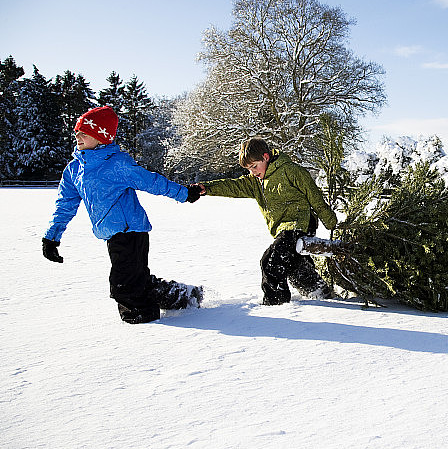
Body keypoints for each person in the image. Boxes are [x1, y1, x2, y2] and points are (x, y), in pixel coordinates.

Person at [42, 106, 203, 324]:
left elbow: (151, 181)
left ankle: (144, 323)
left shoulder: (117, 163)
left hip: (130, 230)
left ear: (101, 136)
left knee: (124, 286)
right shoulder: (74, 169)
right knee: (137, 281)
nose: (77, 136)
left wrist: (184, 193)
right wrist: (52, 237)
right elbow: (65, 204)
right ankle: (185, 296)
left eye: (84, 132)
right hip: (111, 233)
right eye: (77, 131)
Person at [194, 137, 337, 305]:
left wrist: (331, 222)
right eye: (249, 169)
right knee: (294, 266)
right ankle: (320, 293)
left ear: (266, 157)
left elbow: (315, 197)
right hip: (283, 230)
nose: (253, 172)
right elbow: (232, 186)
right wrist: (207, 188)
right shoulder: (255, 182)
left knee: (271, 261)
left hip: (300, 225)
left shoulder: (291, 171)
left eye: (254, 166)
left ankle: (275, 305)